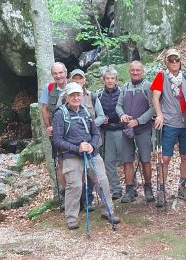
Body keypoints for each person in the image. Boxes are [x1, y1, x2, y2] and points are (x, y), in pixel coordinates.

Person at [52, 82, 120, 230]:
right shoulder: (60, 114)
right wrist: (77, 148)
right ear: (67, 97)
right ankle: (71, 218)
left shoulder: (86, 111)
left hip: (91, 152)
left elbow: (95, 133)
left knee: (102, 181)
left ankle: (108, 211)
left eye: (78, 95)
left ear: (82, 96)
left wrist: (92, 145)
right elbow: (57, 140)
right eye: (72, 95)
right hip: (71, 154)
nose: (76, 98)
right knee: (75, 185)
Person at [151, 49, 186, 207]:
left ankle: (182, 186)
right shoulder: (161, 76)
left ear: (180, 61)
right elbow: (155, 97)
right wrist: (159, 114)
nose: (174, 63)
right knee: (165, 158)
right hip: (169, 121)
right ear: (166, 62)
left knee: (185, 156)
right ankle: (161, 190)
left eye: (177, 60)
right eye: (171, 60)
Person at [116, 61, 155, 203]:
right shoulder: (125, 87)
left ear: (142, 71)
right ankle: (129, 189)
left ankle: (148, 188)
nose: (135, 72)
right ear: (129, 71)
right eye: (133, 70)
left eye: (138, 70)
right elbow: (119, 105)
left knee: (145, 160)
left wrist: (139, 121)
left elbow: (153, 108)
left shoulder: (148, 87)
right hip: (127, 130)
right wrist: (122, 115)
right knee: (127, 160)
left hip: (143, 129)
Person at [40, 62, 68, 203]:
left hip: (73, 132)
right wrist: (48, 126)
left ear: (65, 72)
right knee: (61, 163)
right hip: (56, 132)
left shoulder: (73, 86)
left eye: (60, 73)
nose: (58, 76)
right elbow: (44, 108)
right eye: (55, 74)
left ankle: (84, 195)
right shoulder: (49, 88)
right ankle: (65, 195)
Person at [97, 66, 123, 200]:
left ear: (116, 80)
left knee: (127, 159)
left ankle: (132, 186)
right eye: (107, 78)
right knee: (109, 161)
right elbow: (96, 112)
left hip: (122, 129)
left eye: (112, 78)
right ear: (103, 80)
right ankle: (116, 188)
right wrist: (102, 120)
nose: (110, 81)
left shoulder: (122, 92)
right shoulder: (99, 94)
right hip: (107, 131)